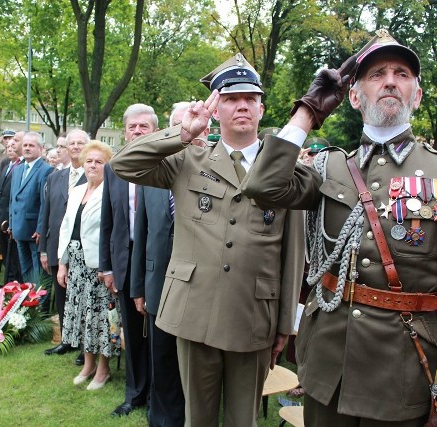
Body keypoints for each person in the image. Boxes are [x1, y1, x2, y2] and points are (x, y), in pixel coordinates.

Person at [241, 30, 437, 426]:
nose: (390, 80)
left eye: (402, 73)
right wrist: (308, 111)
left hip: (402, 373)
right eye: (376, 74)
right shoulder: (328, 167)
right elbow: (262, 186)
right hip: (328, 369)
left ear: (417, 95)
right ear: (354, 97)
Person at [110, 55, 303, 426]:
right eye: (231, 99)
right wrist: (182, 133)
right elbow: (124, 164)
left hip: (253, 316)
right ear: (216, 110)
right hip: (193, 312)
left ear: (262, 108)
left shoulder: (283, 170)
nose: (242, 105)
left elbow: (292, 253)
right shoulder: (188, 159)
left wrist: (283, 324)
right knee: (197, 417)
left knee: (241, 419)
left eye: (250, 98)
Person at [129, 102, 208, 427]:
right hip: (159, 286)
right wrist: (138, 287)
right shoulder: (154, 175)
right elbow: (143, 235)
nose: (186, 133)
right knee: (161, 358)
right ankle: (162, 419)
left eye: (191, 126)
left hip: (201, 288)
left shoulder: (216, 172)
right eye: (178, 127)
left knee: (198, 365)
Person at [99, 103, 157, 417]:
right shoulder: (114, 167)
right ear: (124, 131)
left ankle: (157, 395)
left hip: (157, 257)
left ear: (155, 130)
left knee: (158, 332)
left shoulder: (164, 163)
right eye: (132, 127)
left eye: (143, 126)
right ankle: (135, 393)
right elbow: (108, 220)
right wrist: (107, 266)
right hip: (125, 259)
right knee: (132, 332)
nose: (136, 131)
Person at [57, 141, 118, 390]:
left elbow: (114, 232)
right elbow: (65, 228)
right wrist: (62, 264)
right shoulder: (76, 190)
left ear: (107, 166)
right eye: (89, 161)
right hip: (76, 262)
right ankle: (88, 364)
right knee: (82, 316)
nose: (93, 165)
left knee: (101, 317)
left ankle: (103, 370)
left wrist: (109, 266)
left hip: (99, 266)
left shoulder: (112, 191)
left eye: (99, 161)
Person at [39, 129, 88, 356]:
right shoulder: (54, 176)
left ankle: (84, 346)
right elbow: (46, 214)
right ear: (66, 148)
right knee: (61, 294)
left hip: (84, 249)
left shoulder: (96, 175)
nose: (76, 147)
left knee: (82, 296)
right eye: (72, 143)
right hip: (56, 246)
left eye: (81, 143)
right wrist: (43, 250)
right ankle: (66, 340)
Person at [9, 131, 53, 282]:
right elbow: (12, 199)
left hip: (34, 230)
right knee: (25, 268)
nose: (27, 148)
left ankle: (41, 304)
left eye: (31, 145)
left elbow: (45, 202)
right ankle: (29, 300)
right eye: (25, 145)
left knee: (38, 270)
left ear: (40, 149)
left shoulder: (46, 170)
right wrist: (11, 223)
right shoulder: (18, 169)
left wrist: (40, 228)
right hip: (19, 228)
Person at [0, 138, 22, 284]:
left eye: (13, 145)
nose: (10, 149)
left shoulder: (21, 166)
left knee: (14, 255)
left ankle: (14, 281)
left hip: (12, 218)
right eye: (8, 146)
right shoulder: (6, 165)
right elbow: (0, 192)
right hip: (1, 215)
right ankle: (8, 280)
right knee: (4, 251)